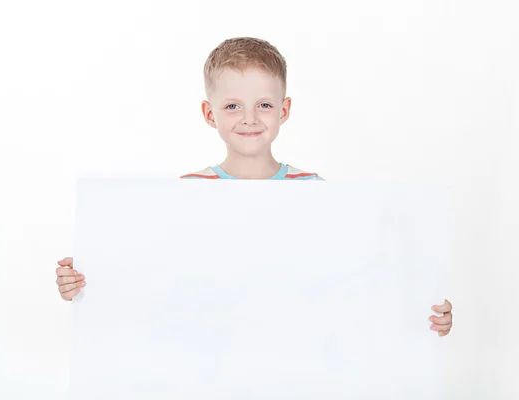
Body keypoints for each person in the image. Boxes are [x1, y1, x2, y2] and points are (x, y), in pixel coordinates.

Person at [55, 37, 453, 336]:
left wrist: (423, 311)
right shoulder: (184, 196)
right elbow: (149, 279)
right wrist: (88, 284)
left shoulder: (316, 194)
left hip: (295, 360)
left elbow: (360, 275)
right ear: (210, 114)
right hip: (211, 363)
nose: (249, 118)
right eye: (232, 106)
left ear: (284, 110)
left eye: (263, 104)